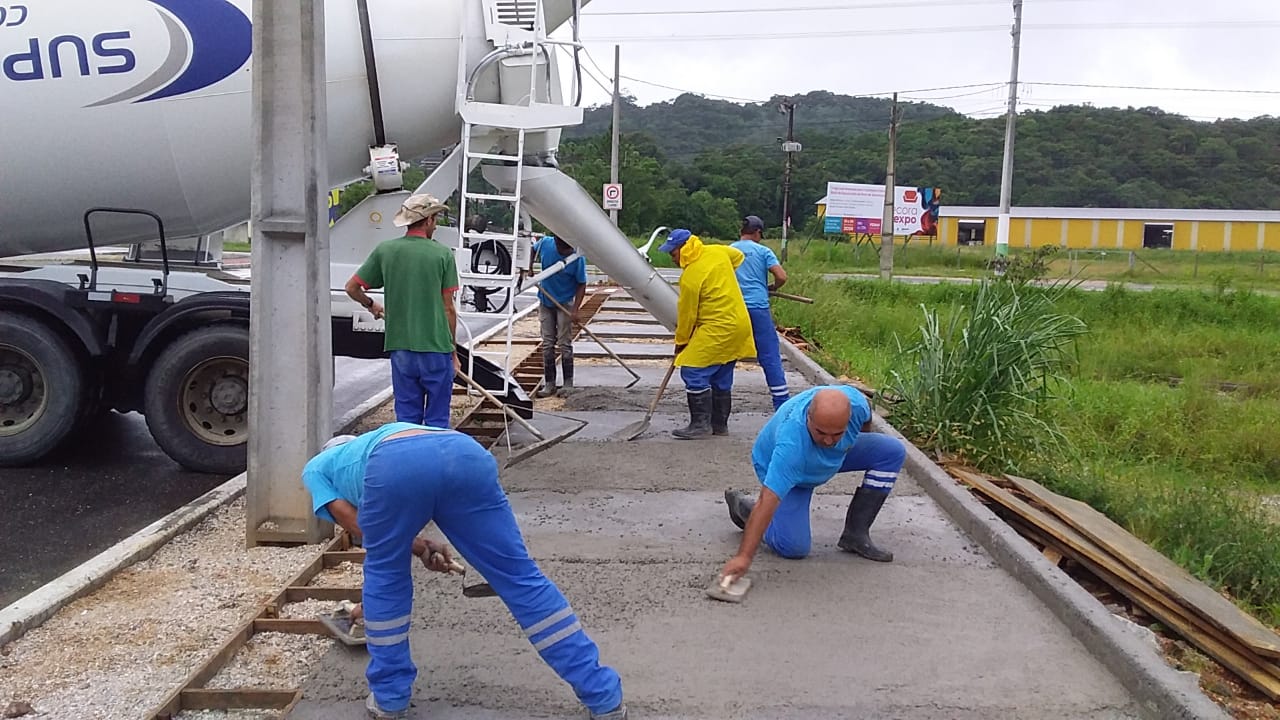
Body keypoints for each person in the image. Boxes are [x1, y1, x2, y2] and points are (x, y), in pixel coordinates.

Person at [301, 424, 629, 720]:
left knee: (386, 578)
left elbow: (357, 524)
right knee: (520, 577)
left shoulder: (318, 467)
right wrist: (422, 546)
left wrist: (409, 548)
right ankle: (604, 698)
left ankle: (390, 700)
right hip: (464, 452)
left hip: (396, 466)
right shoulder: (383, 436)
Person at [718, 386, 907, 583]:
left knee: (892, 451)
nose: (827, 440)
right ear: (809, 416)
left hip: (826, 459)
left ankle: (856, 534)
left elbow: (865, 417)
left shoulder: (857, 404)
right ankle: (748, 511)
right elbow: (768, 498)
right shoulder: (791, 447)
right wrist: (744, 557)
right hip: (792, 469)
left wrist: (852, 441)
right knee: (793, 547)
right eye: (820, 432)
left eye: (837, 434)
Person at [344, 194, 460, 428]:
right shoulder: (442, 254)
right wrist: (453, 352)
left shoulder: (386, 250)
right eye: (435, 219)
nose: (435, 225)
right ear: (428, 220)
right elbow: (448, 309)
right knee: (437, 420)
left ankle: (407, 458)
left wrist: (371, 304)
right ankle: (431, 462)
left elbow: (352, 288)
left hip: (401, 349)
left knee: (407, 420)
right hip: (436, 349)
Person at [658, 229, 755, 439]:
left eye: (673, 253)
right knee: (721, 371)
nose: (672, 258)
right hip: (739, 323)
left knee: (692, 369)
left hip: (718, 327)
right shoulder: (718, 252)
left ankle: (700, 426)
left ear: (684, 249)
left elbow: (687, 315)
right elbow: (737, 256)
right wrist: (724, 275)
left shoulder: (691, 277)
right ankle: (719, 425)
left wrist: (681, 342)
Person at [730, 215, 790, 411]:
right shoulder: (763, 251)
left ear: (741, 232)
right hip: (758, 307)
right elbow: (781, 276)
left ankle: (719, 405)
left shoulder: (729, 250)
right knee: (770, 355)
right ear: (758, 232)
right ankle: (781, 404)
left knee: (727, 354)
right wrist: (772, 287)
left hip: (733, 308)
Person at [529, 234, 588, 398]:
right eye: (562, 248)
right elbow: (532, 250)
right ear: (556, 242)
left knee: (564, 343)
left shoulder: (576, 258)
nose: (565, 251)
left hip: (564, 302)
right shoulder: (546, 244)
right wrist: (529, 266)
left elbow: (582, 283)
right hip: (546, 299)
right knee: (548, 343)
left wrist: (576, 309)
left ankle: (568, 383)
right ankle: (550, 384)